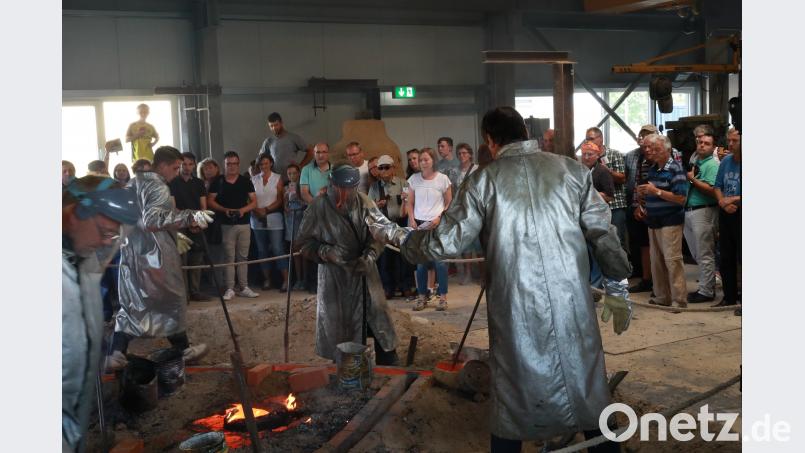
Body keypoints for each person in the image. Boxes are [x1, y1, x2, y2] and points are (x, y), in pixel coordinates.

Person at [370, 106, 631, 453]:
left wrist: (395, 235)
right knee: (587, 385)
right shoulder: (572, 171)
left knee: (514, 392)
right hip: (572, 302)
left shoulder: (483, 181)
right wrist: (617, 285)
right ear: (525, 132)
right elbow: (603, 233)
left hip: (515, 305)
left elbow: (444, 243)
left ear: (490, 141)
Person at [106, 146, 214, 371]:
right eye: (175, 168)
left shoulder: (133, 183)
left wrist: (174, 233)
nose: (177, 172)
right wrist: (190, 216)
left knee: (134, 303)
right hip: (155, 256)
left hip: (132, 253)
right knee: (171, 300)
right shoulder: (158, 185)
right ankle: (183, 349)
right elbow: (152, 220)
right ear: (163, 165)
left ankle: (116, 353)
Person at [63, 176, 139, 452]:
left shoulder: (81, 263)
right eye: (104, 231)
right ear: (75, 213)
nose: (105, 242)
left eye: (113, 236)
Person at [296, 164, 400, 365]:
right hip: (334, 277)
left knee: (378, 320)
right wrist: (326, 252)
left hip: (364, 273)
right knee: (341, 329)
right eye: (340, 189)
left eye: (350, 189)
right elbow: (302, 243)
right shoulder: (318, 207)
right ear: (331, 184)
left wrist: (370, 254)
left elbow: (379, 233)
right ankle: (346, 367)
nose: (344, 194)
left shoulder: (364, 202)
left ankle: (388, 362)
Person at [636, 134, 689, 308]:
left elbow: (681, 198)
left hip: (670, 221)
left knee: (672, 260)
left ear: (667, 150)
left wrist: (656, 191)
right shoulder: (654, 169)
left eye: (656, 149)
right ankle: (662, 296)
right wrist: (644, 196)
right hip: (653, 221)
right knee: (656, 261)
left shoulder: (675, 168)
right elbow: (653, 192)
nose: (652, 152)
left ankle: (679, 300)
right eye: (651, 149)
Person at [207, 151, 259, 301]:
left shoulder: (245, 181)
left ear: (238, 164)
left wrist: (242, 210)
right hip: (225, 224)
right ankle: (230, 288)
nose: (232, 166)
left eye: (235, 163)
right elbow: (210, 201)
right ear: (224, 164)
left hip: (244, 223)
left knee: (243, 257)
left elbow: (254, 202)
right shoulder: (218, 181)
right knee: (229, 257)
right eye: (229, 164)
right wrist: (225, 210)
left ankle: (244, 287)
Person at [407, 147, 452, 311]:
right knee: (421, 264)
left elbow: (449, 202)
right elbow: (409, 202)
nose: (423, 163)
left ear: (433, 160)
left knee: (440, 263)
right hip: (420, 225)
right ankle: (421, 296)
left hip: (437, 225)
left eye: (426, 159)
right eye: (421, 160)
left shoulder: (443, 179)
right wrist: (412, 219)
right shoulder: (414, 179)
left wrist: (440, 218)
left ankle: (443, 297)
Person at [369, 155, 415, 299]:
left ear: (393, 168)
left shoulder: (404, 183)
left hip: (401, 223)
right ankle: (388, 288)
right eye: (381, 168)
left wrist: (406, 199)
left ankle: (406, 286)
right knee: (385, 259)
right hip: (384, 225)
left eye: (386, 167)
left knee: (404, 257)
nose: (384, 170)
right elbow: (369, 207)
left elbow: (411, 201)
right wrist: (377, 204)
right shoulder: (374, 187)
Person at [683, 131, 720, 303]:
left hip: (704, 210)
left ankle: (706, 291)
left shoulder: (712, 165)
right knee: (697, 253)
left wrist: (692, 180)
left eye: (706, 143)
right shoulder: (696, 162)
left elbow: (713, 190)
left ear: (713, 147)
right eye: (700, 142)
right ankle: (706, 285)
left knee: (705, 252)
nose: (702, 145)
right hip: (690, 209)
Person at [169, 152, 210, 302]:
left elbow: (203, 205)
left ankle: (195, 291)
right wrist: (189, 220)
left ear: (194, 165)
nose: (187, 167)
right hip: (180, 225)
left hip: (196, 223)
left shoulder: (199, 183)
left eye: (190, 164)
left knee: (196, 259)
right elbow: (173, 207)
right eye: (184, 164)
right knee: (182, 260)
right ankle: (184, 294)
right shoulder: (172, 182)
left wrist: (197, 221)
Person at [713, 128, 741, 311]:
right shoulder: (726, 161)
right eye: (728, 140)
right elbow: (717, 186)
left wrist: (734, 199)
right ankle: (729, 297)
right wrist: (723, 202)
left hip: (741, 213)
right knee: (726, 256)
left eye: (734, 141)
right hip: (726, 212)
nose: (730, 144)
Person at [251, 153, 288, 291]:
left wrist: (266, 209)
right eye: (261, 164)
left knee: (278, 249)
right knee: (262, 250)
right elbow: (249, 198)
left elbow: (280, 199)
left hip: (274, 217)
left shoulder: (277, 178)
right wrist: (257, 210)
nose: (264, 166)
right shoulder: (253, 179)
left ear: (271, 163)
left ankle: (286, 280)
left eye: (266, 163)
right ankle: (267, 280)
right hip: (256, 217)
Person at [586, 127, 628, 248]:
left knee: (617, 241)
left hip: (615, 206)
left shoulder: (614, 154)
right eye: (586, 139)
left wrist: (607, 171)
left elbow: (622, 178)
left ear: (601, 139)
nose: (588, 141)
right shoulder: (587, 158)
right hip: (596, 207)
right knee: (599, 243)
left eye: (591, 138)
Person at [300, 142, 333, 293]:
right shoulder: (306, 169)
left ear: (328, 153)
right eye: (318, 152)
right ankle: (312, 284)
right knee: (313, 248)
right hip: (313, 215)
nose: (321, 155)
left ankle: (329, 283)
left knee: (330, 248)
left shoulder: (335, 170)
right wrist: (317, 205)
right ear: (314, 154)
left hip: (332, 215)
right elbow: (304, 192)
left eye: (323, 152)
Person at [454, 143, 482, 285]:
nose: (462, 156)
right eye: (459, 153)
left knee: (479, 243)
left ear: (470, 154)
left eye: (464, 153)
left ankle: (483, 274)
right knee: (466, 243)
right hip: (462, 211)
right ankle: (468, 273)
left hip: (476, 210)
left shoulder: (477, 169)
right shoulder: (456, 171)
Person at [257, 112, 313, 178]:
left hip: (292, 178)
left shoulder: (294, 138)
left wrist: (300, 166)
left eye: (276, 125)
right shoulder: (268, 141)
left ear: (281, 123)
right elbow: (260, 158)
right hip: (274, 179)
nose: (274, 128)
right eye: (271, 126)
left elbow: (311, 151)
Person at [284, 164, 306, 291]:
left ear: (298, 173)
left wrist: (299, 197)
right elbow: (285, 206)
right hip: (291, 220)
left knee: (304, 252)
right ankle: (298, 279)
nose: (292, 176)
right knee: (295, 252)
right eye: (289, 173)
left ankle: (305, 279)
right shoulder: (286, 188)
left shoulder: (303, 186)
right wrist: (286, 200)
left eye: (294, 173)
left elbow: (306, 203)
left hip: (301, 219)